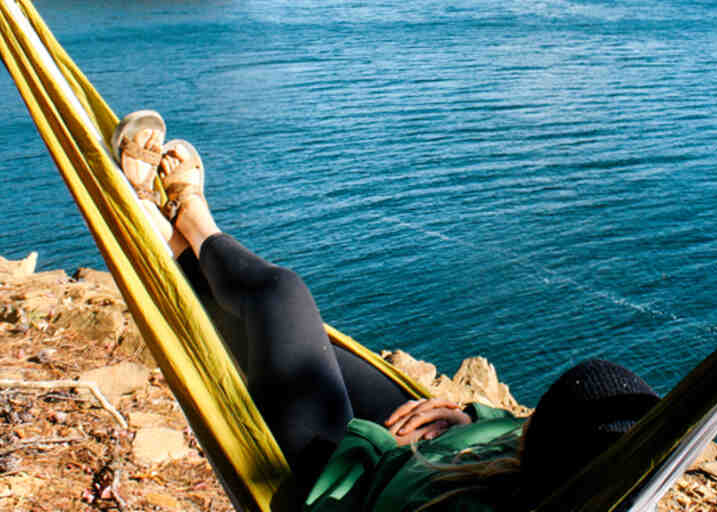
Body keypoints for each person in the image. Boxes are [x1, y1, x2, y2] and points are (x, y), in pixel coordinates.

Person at [114, 111, 660, 511]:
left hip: (346, 480)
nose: (529, 425)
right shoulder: (601, 468)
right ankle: (177, 248)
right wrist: (476, 420)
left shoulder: (456, 509)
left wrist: (392, 448)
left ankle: (192, 221)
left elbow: (389, 492)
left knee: (281, 297)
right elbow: (533, 437)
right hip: (457, 449)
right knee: (293, 339)